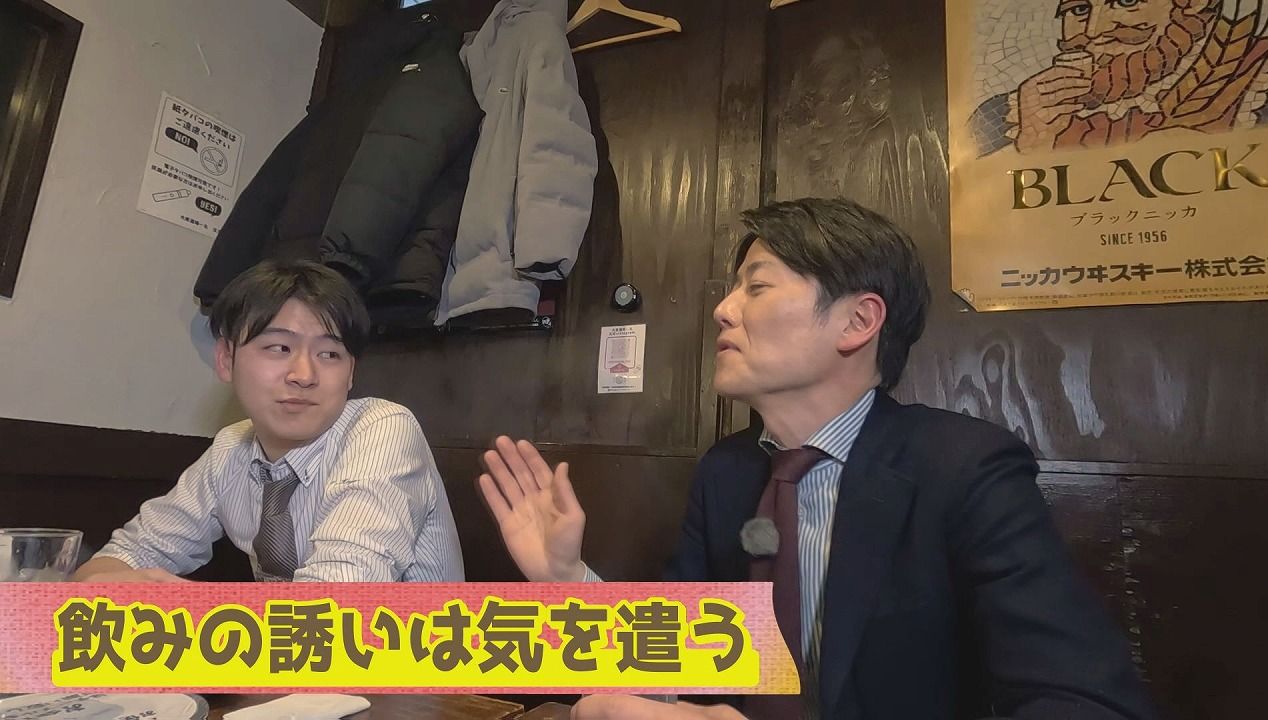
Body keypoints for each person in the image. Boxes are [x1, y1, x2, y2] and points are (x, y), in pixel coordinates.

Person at [478, 198, 1155, 719]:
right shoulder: (727, 472)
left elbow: (1087, 702)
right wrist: (568, 582)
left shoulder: (962, 469)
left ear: (858, 322)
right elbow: (683, 662)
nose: (721, 311)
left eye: (757, 287)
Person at [74, 260, 463, 583]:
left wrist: (191, 609)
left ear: (350, 374)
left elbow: (337, 606)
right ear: (226, 359)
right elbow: (123, 556)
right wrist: (104, 584)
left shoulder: (382, 429)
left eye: (330, 354)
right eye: (279, 347)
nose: (304, 375)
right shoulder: (231, 449)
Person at [970, 0, 1268, 155]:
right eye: (1079, 9)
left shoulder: (1264, 77)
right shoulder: (1001, 116)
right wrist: (1035, 144)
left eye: (1127, 1)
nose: (1095, 30)